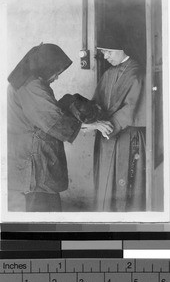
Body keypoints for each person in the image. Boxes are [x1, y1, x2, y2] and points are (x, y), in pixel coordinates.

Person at [7, 42, 112, 212]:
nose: (56, 78)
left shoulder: (25, 81)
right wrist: (95, 125)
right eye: (56, 72)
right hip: (34, 163)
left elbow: (43, 114)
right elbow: (53, 120)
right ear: (45, 67)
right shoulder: (31, 86)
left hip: (28, 156)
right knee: (42, 215)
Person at [91, 30, 146, 212]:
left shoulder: (136, 73)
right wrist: (91, 118)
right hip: (107, 136)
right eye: (103, 53)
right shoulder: (108, 74)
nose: (105, 57)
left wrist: (107, 127)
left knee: (124, 187)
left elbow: (130, 109)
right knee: (105, 185)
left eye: (109, 52)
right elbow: (96, 103)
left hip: (127, 137)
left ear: (122, 49)